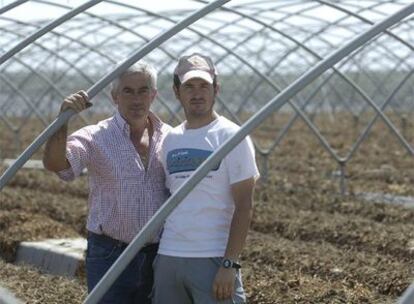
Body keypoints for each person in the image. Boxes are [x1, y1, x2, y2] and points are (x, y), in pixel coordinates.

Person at [42, 62, 171, 304]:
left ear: (153, 95)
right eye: (127, 91)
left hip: (158, 254)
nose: (136, 99)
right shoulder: (95, 137)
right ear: (114, 96)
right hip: (110, 252)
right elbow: (56, 164)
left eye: (143, 90)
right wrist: (63, 120)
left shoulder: (170, 138)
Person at [153, 53, 259, 304]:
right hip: (169, 256)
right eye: (189, 86)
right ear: (177, 92)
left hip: (212, 256)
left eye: (204, 86)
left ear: (216, 89)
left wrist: (228, 264)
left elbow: (245, 206)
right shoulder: (170, 140)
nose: (197, 93)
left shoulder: (232, 136)